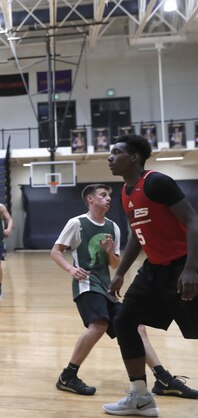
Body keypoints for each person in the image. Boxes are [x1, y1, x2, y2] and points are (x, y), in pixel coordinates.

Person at [51, 184, 196, 400]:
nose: (108, 198)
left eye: (110, 195)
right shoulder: (77, 223)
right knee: (99, 325)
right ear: (90, 199)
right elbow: (55, 251)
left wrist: (110, 252)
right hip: (86, 285)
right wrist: (71, 269)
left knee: (137, 326)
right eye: (103, 195)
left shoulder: (113, 227)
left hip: (106, 286)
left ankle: (162, 378)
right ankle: (67, 376)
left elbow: (115, 264)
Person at [103, 134, 198, 416]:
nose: (110, 157)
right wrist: (120, 272)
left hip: (183, 267)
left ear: (134, 158)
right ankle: (141, 396)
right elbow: (136, 234)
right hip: (153, 270)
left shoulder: (157, 182)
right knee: (123, 321)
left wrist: (192, 268)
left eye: (116, 152)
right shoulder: (125, 192)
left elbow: (193, 221)